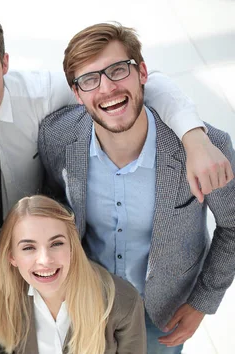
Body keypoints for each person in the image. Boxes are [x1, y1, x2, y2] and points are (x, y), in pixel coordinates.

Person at [0, 7, 232, 229]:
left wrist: (194, 138)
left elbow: (148, 84)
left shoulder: (39, 93)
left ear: (5, 63)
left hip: (36, 252)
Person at [38, 22, 235, 353]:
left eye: (118, 70)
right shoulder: (56, 138)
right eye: (90, 79)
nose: (107, 88)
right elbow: (51, 211)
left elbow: (233, 226)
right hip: (85, 300)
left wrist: (202, 301)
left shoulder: (206, 147)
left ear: (142, 72)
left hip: (161, 313)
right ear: (77, 94)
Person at [0, 195, 146, 354]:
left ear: (72, 247)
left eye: (56, 244)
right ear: (12, 257)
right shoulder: (4, 298)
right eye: (28, 247)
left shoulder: (123, 302)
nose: (45, 260)